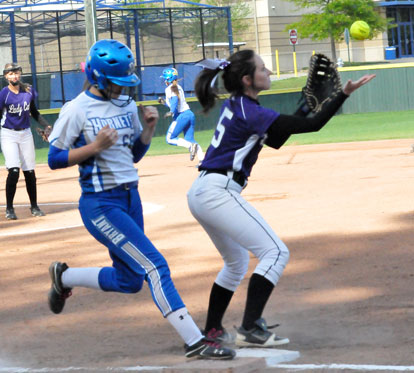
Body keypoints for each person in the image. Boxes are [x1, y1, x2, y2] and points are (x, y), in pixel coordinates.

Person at [46, 39, 235, 360]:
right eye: (116, 84)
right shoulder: (76, 109)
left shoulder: (126, 107)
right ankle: (194, 340)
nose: (123, 90)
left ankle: (63, 276)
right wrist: (93, 147)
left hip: (131, 199)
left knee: (129, 280)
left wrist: (147, 132)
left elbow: (132, 156)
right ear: (99, 78)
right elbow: (54, 158)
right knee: (155, 266)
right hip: (101, 204)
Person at [187, 50, 376, 347]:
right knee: (276, 253)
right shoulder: (252, 112)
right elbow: (312, 126)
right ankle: (250, 327)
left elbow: (275, 137)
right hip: (217, 192)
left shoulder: (240, 105)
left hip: (203, 191)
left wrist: (303, 107)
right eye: (263, 69)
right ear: (248, 79)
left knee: (236, 262)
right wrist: (343, 95)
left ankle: (213, 330)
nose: (269, 72)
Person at [0, 63, 52, 220]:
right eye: (10, 74)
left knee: (29, 172)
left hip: (25, 134)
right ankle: (9, 208)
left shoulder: (28, 91)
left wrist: (47, 126)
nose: (14, 76)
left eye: (16, 73)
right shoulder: (4, 94)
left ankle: (34, 206)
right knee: (14, 171)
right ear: (5, 77)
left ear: (20, 74)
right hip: (8, 134)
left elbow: (34, 112)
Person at [159, 67, 204, 163]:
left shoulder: (169, 88)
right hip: (189, 114)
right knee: (189, 139)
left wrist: (171, 111)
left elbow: (175, 101)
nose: (164, 80)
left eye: (165, 78)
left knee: (170, 138)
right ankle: (202, 160)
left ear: (169, 78)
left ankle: (190, 146)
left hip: (181, 116)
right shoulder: (178, 87)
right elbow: (175, 102)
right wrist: (164, 103)